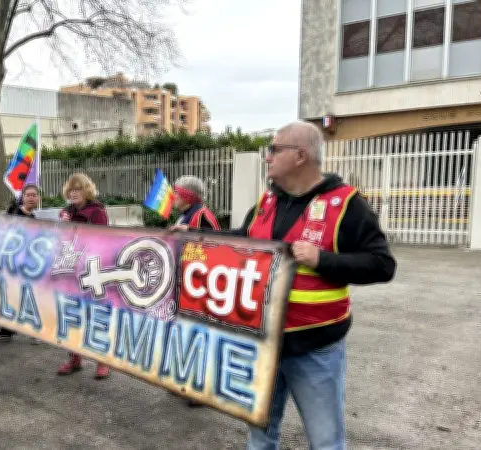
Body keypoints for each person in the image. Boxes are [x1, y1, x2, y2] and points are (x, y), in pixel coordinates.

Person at [230, 122, 396, 450]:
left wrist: (322, 259)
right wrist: (194, 238)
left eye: (275, 149)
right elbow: (243, 238)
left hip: (315, 348)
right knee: (259, 437)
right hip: (263, 341)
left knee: (325, 442)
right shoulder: (267, 201)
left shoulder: (346, 204)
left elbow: (382, 265)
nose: (268, 157)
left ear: (300, 156)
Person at [166, 175, 219, 408]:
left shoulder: (202, 216)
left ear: (187, 196)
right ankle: (186, 381)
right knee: (185, 335)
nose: (173, 197)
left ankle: (202, 390)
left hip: (200, 288)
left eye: (176, 193)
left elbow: (217, 248)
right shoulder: (186, 215)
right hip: (184, 285)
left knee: (200, 337)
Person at [56, 173, 111, 380]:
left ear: (86, 190)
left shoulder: (97, 212)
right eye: (71, 190)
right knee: (72, 313)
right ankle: (75, 357)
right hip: (71, 269)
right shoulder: (65, 212)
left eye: (78, 189)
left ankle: (102, 360)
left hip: (92, 269)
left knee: (95, 315)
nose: (74, 193)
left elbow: (102, 239)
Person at [0, 184, 42, 343]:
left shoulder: (35, 220)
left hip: (27, 266)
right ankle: (6, 331)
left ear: (38, 199)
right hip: (10, 263)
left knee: (28, 298)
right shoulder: (14, 213)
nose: (31, 198)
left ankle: (35, 331)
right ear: (22, 198)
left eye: (34, 195)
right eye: (28, 195)